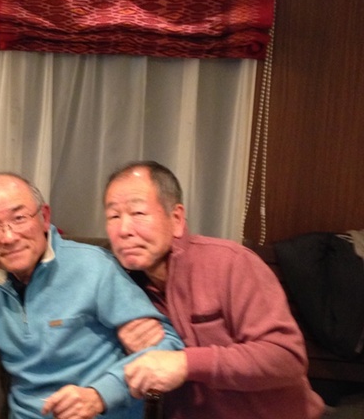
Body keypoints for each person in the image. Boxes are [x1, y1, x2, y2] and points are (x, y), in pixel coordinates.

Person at [0, 173, 183, 419]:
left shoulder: (94, 267)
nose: (8, 237)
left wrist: (100, 394)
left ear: (44, 217)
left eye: (19, 218)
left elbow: (167, 347)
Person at [102, 160, 325, 419]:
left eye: (138, 213)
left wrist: (185, 363)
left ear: (176, 219)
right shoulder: (121, 283)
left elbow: (286, 357)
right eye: (114, 216)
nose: (124, 230)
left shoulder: (230, 263)